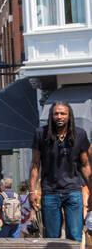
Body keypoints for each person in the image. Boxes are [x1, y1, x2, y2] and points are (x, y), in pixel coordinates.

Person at [29, 102, 91, 241]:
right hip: (50, 191)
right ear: (51, 116)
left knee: (75, 235)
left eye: (63, 113)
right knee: (52, 237)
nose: (59, 116)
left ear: (69, 116)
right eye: (56, 113)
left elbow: (85, 165)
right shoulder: (41, 133)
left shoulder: (80, 134)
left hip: (73, 190)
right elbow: (35, 163)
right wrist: (32, 191)